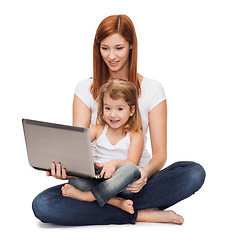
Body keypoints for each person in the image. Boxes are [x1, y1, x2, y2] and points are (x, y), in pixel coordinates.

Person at [32, 14, 206, 226]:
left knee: (193, 173)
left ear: (131, 46)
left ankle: (107, 205)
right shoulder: (84, 89)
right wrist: (65, 168)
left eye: (119, 48)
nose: (111, 56)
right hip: (95, 179)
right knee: (43, 204)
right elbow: (76, 149)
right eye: (105, 48)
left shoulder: (153, 89)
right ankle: (138, 213)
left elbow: (160, 154)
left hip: (136, 182)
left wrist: (144, 174)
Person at [61, 79, 143, 214]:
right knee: (75, 182)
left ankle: (87, 197)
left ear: (131, 110)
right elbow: (75, 146)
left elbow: (133, 162)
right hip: (98, 180)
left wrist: (114, 163)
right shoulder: (97, 130)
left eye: (120, 109)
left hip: (121, 183)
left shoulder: (135, 134)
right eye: (108, 108)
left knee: (133, 170)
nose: (113, 114)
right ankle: (115, 202)